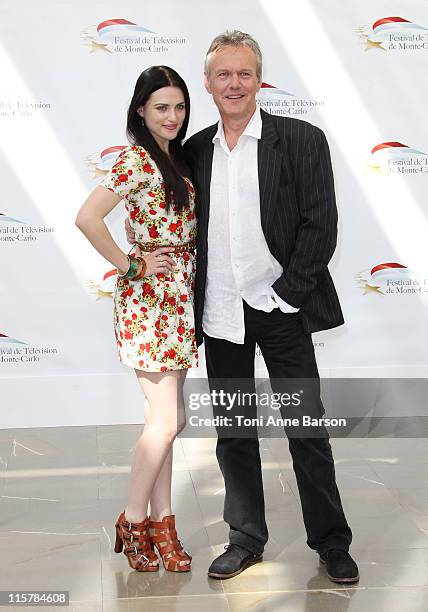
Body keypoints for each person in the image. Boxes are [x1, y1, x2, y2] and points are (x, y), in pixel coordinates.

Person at [75, 65, 197, 573]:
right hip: (150, 303)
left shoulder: (177, 159)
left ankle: (163, 524)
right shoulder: (136, 161)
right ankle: (132, 519)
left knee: (167, 423)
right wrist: (131, 263)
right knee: (167, 421)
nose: (172, 116)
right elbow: (86, 217)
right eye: (161, 107)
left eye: (180, 106)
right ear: (141, 111)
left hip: (179, 298)